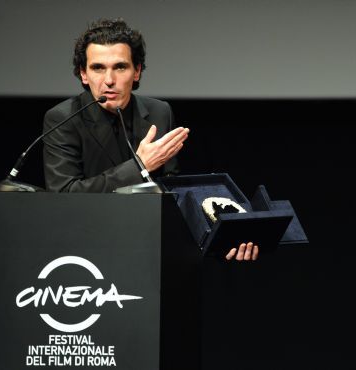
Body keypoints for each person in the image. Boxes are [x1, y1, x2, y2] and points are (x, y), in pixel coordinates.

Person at [42, 18, 258, 261]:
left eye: (120, 67)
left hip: (149, 250)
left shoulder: (159, 113)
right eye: (98, 68)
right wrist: (139, 167)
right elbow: (62, 196)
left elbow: (173, 194)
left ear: (137, 72)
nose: (109, 80)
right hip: (86, 248)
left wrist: (224, 238)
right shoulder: (63, 119)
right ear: (83, 74)